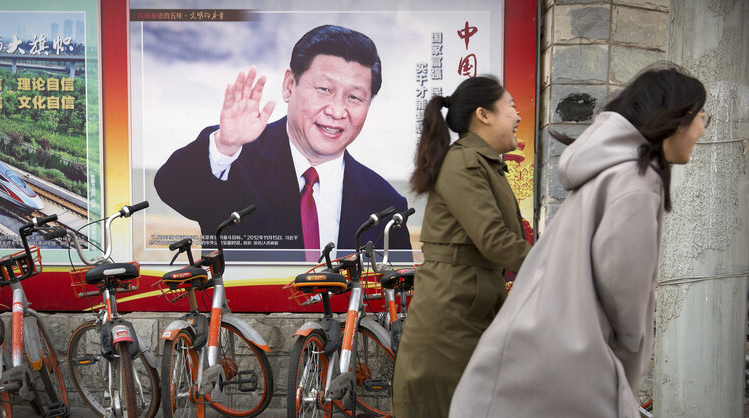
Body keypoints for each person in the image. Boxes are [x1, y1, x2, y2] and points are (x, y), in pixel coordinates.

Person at [448, 65, 708, 418]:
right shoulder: (636, 183)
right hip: (566, 372)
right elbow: (624, 300)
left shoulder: (604, 172)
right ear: (676, 117)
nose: (702, 127)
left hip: (529, 357)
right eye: (700, 115)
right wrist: (627, 373)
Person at [154, 24, 410, 261]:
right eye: (324, 89)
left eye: (354, 97)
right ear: (289, 85)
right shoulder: (234, 159)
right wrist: (224, 145)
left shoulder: (386, 204)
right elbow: (171, 187)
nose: (337, 110)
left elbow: (396, 291)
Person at [391, 76, 532, 418]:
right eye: (511, 106)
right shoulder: (465, 162)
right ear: (483, 115)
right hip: (451, 321)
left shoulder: (482, 163)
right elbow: (494, 239)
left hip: (468, 307)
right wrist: (558, 262)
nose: (518, 116)